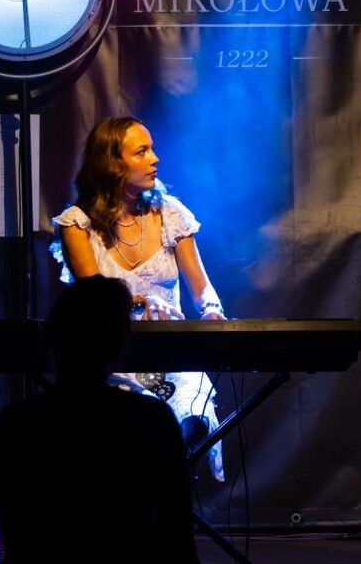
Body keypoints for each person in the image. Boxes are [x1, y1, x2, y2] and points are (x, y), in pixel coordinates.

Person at [49, 115, 228, 482]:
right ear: (112, 163)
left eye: (153, 149)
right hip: (113, 360)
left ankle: (168, 489)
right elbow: (94, 298)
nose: (154, 159)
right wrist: (137, 302)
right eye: (141, 152)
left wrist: (212, 310)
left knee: (192, 413)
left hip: (171, 356)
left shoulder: (171, 215)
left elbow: (201, 287)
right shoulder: (77, 224)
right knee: (137, 424)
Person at [0, 275, 199, 563]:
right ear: (120, 345)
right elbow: (178, 533)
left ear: (51, 340)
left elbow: (14, 534)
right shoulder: (152, 419)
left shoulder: (14, 424)